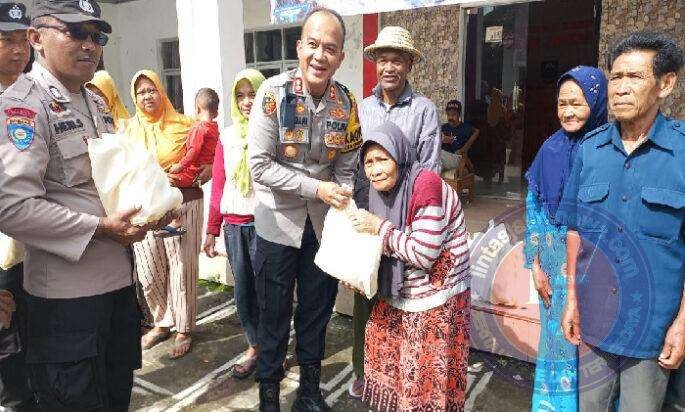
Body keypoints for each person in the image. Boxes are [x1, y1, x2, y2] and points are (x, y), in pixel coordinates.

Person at [0, 0, 170, 409]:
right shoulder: (23, 106)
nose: (89, 45)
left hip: (118, 290)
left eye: (96, 36)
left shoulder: (95, 101)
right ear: (36, 38)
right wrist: (101, 228)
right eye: (75, 32)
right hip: (67, 304)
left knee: (116, 398)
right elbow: (12, 208)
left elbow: (105, 186)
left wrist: (152, 206)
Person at [558, 30, 685, 411]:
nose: (621, 88)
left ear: (665, 84)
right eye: (616, 77)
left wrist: (682, 324)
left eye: (635, 77)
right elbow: (575, 231)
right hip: (595, 323)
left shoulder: (681, 152)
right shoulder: (590, 149)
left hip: (653, 331)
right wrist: (571, 300)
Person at [248, 7, 360, 411]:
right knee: (273, 314)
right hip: (277, 226)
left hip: (323, 230)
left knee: (316, 312)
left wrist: (343, 194)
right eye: (313, 44)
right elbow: (259, 166)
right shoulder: (272, 95)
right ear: (299, 47)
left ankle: (309, 393)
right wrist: (318, 188)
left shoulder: (346, 102)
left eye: (330, 48)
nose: (319, 55)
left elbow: (348, 164)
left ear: (341, 57)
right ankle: (269, 396)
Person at [349, 121, 470, 411]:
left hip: (435, 293)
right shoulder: (379, 191)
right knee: (385, 352)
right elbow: (376, 246)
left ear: (400, 156)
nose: (375, 170)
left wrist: (380, 228)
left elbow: (424, 254)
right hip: (401, 287)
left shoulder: (425, 185)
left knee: (424, 372)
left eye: (382, 159)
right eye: (368, 162)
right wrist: (355, 273)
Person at [349, 25, 441, 398]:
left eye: (397, 60)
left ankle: (402, 375)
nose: (389, 67)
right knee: (366, 294)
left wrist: (411, 224)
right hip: (368, 214)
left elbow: (430, 170)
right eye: (383, 59)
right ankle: (364, 371)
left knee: (405, 298)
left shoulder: (423, 110)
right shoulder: (363, 108)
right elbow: (355, 166)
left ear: (409, 65)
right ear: (375, 63)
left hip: (408, 219)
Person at [524, 66, 608, 412]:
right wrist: (535, 265)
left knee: (594, 344)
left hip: (595, 264)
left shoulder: (609, 149)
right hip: (553, 264)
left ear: (596, 102)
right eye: (562, 104)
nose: (568, 112)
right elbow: (533, 209)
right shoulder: (550, 150)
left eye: (577, 103)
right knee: (556, 340)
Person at [125, 70, 202, 359]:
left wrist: (188, 176)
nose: (147, 96)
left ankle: (184, 327)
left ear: (162, 91)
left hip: (182, 203)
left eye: (151, 90)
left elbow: (206, 162)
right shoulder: (128, 130)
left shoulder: (185, 125)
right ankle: (161, 322)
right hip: (145, 207)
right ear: (134, 97)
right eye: (141, 92)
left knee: (181, 267)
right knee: (149, 271)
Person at [203, 69, 265, 379]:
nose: (246, 101)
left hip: (265, 226)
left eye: (252, 94)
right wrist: (212, 230)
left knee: (269, 292)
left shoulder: (271, 132)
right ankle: (255, 346)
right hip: (234, 226)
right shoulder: (226, 137)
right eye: (240, 96)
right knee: (243, 292)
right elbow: (219, 184)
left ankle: (274, 348)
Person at [0, 2, 32, 409]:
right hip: (3, 257)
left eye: (22, 40)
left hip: (38, 249)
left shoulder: (39, 97)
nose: (18, 50)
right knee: (9, 354)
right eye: (6, 40)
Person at [157, 87, 220, 237]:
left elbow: (193, 151)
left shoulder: (199, 128)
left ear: (197, 108)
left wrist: (179, 166)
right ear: (216, 112)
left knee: (167, 182)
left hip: (191, 172)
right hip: (197, 173)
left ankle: (176, 220)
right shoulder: (214, 128)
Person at [440, 99, 479, 171]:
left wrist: (452, 141)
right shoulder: (443, 127)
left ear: (459, 114)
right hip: (444, 157)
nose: (450, 117)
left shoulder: (465, 128)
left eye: (453, 115)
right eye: (448, 115)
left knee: (439, 155)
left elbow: (476, 131)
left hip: (458, 158)